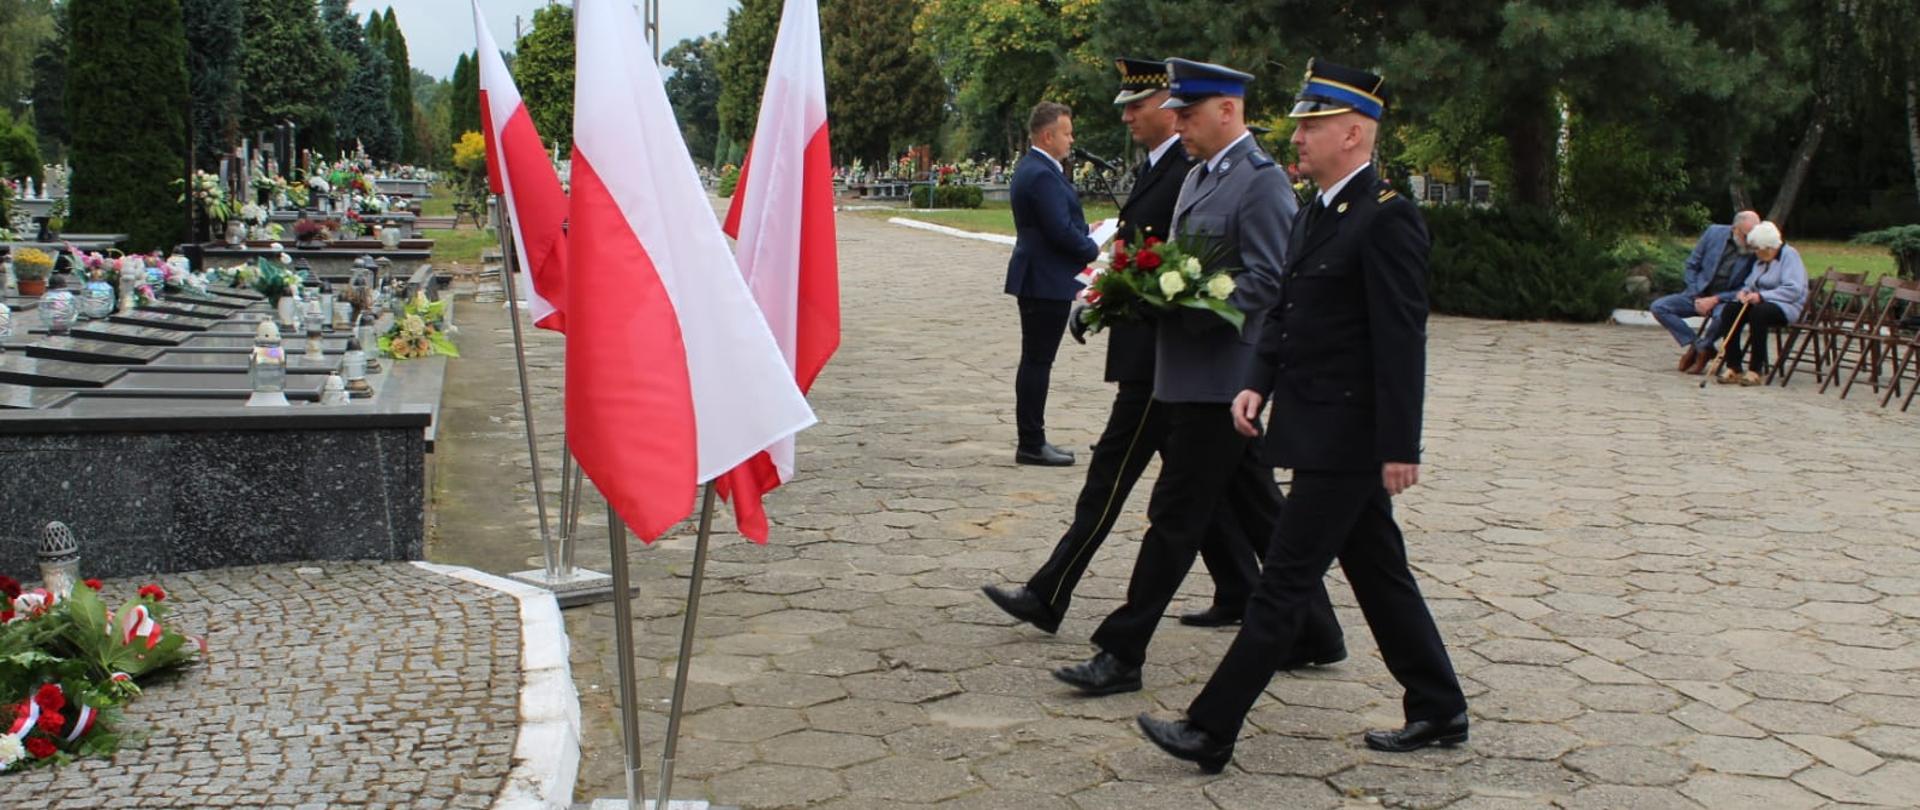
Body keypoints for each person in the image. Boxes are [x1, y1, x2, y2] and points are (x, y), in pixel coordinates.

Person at [1137, 59, 1469, 773]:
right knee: (1379, 572)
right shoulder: (1318, 209)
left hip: (1347, 437)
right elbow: (1286, 309)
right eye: (1299, 125)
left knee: (1283, 582)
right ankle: (1439, 706)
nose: (1299, 138)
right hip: (1312, 422)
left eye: (1312, 126)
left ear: (1354, 134)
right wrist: (1257, 380)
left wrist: (1399, 445)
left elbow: (1400, 340)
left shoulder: (1386, 217)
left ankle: (1210, 727)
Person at [1051, 58, 1344, 699]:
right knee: (1263, 514)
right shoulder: (1197, 179)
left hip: (1221, 380)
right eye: (1177, 112)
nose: (1176, 123)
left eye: (1187, 113)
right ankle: (1319, 631)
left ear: (1227, 111)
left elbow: (1270, 281)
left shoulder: (1260, 183)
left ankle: (1122, 651)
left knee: (1174, 518)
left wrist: (1185, 300)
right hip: (1183, 375)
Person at [982, 58, 1261, 634]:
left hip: (1169, 357)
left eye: (1140, 104)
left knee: (1119, 477)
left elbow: (1203, 265)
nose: (1128, 116)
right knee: (1226, 492)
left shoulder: (1193, 170)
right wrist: (1103, 297)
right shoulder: (1166, 168)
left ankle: (1050, 592)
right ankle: (1266, 600)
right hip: (1162, 356)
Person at [1005, 101, 1101, 466]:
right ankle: (1031, 442)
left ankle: (1033, 438)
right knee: (1037, 361)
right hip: (1043, 278)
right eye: (1066, 132)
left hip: (1041, 275)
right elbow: (1057, 230)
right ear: (1048, 135)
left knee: (1036, 359)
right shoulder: (1042, 173)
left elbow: (1057, 222)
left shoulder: (1037, 168)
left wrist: (1082, 231)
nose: (1071, 139)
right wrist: (1089, 246)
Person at [1700, 221, 1808, 385]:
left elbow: (1793, 289)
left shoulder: (1789, 255)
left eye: (1758, 249)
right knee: (1730, 309)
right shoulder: (1762, 260)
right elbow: (1751, 283)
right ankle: (1733, 366)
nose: (1755, 253)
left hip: (1786, 306)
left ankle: (1755, 369)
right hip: (1759, 302)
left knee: (1759, 313)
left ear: (1769, 247)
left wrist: (1762, 296)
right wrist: (1744, 292)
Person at [1653, 211, 1759, 372]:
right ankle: (1699, 346)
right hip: (1698, 292)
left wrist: (1716, 299)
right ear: (1735, 229)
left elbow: (1747, 286)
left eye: (1753, 235)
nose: (1750, 240)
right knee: (1659, 307)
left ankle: (1703, 347)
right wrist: (1696, 295)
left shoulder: (1755, 249)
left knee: (1723, 316)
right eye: (1746, 235)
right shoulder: (1714, 233)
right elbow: (1692, 265)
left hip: (1725, 299)